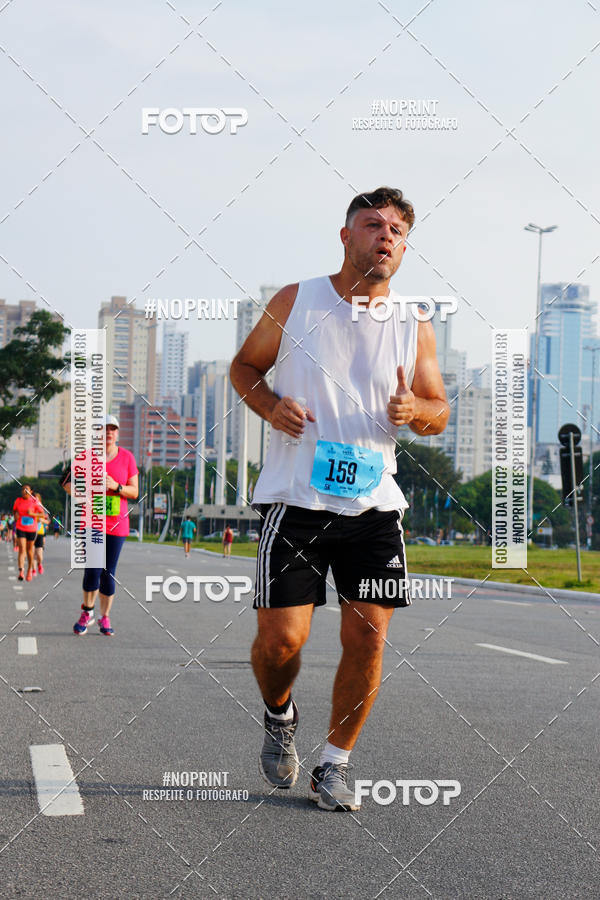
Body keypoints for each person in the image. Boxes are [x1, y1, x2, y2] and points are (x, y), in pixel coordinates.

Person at [230, 187, 450, 811]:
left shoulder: (413, 322)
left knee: (369, 640)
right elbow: (244, 368)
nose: (386, 236)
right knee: (282, 643)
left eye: (397, 231)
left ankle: (334, 765)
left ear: (404, 248)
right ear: (347, 235)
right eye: (373, 224)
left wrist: (415, 410)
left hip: (374, 508)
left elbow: (438, 411)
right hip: (296, 502)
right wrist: (271, 406)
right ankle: (280, 713)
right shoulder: (296, 300)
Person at [63, 414, 138, 636]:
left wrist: (116, 486)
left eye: (112, 429)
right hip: (92, 523)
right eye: (104, 429)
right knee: (93, 569)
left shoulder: (127, 458)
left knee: (108, 573)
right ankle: (87, 612)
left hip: (117, 524)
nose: (108, 433)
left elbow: (134, 492)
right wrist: (83, 495)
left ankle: (105, 617)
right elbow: (65, 482)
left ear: (117, 433)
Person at [12, 485, 44, 581]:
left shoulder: (35, 501)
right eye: (22, 489)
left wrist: (32, 513)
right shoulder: (18, 500)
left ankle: (29, 570)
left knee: (30, 551)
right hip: (20, 527)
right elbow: (14, 511)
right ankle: (21, 571)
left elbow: (42, 514)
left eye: (26, 489)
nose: (24, 491)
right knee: (22, 549)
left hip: (32, 529)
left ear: (31, 491)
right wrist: (16, 515)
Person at [32, 492, 49, 576]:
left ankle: (39, 564)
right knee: (32, 554)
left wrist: (42, 520)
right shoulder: (29, 508)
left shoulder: (43, 509)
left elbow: (47, 521)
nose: (35, 500)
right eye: (33, 499)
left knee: (39, 554)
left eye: (36, 499)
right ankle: (34, 570)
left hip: (40, 533)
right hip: (30, 533)